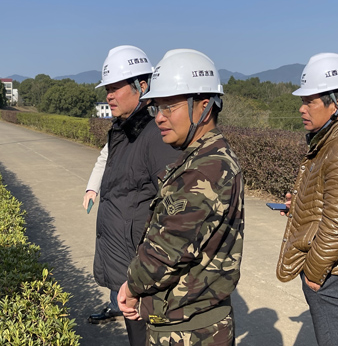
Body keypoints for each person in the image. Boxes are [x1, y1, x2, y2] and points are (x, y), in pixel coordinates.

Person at [117, 49, 244, 345]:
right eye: (156, 108)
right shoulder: (203, 158)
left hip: (189, 332)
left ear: (204, 107)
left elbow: (165, 251)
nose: (159, 118)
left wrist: (131, 288)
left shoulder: (206, 169)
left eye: (169, 107)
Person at [276, 53, 338, 346]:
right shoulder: (335, 140)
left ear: (337, 103)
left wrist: (314, 273)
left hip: (334, 275)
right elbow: (332, 203)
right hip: (336, 270)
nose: (302, 108)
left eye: (310, 101)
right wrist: (299, 206)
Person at [90, 45, 180, 345]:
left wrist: (145, 271)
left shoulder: (155, 136)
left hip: (143, 273)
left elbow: (174, 212)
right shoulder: (122, 132)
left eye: (116, 88)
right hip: (126, 267)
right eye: (107, 89)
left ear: (142, 86)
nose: (109, 95)